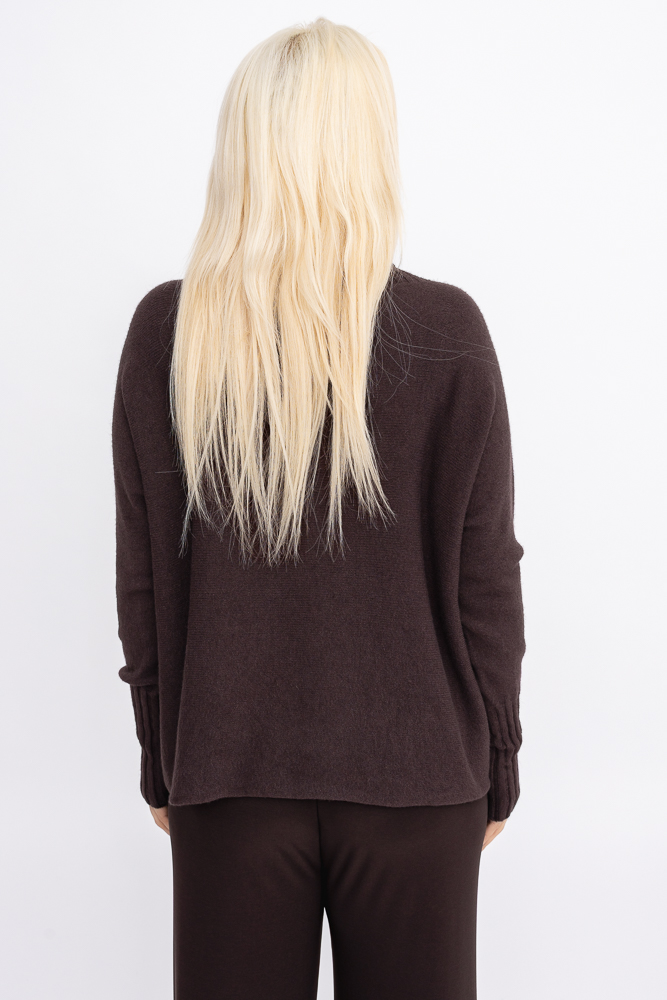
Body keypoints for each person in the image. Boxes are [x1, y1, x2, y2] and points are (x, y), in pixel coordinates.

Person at [112, 17, 526, 1000]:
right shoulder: (446, 331)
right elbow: (485, 581)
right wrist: (498, 762)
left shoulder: (168, 332)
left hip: (229, 778)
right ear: (367, 148)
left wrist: (164, 757)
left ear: (242, 148)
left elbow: (144, 584)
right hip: (420, 784)